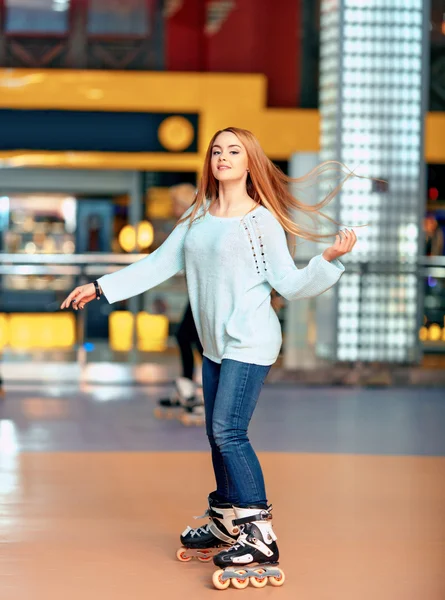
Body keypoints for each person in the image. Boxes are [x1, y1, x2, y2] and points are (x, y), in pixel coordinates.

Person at [61, 127, 357, 589]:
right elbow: (158, 264)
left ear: (249, 161)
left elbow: (291, 285)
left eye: (233, 151)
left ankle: (259, 532)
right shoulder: (198, 217)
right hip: (215, 344)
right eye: (217, 150)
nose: (223, 157)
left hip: (250, 341)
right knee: (215, 434)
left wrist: (329, 260)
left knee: (228, 431)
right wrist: (102, 287)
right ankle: (225, 518)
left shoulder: (261, 223)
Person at [155, 183, 205, 422]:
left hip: (205, 296)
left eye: (176, 203)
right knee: (187, 337)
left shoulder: (197, 227)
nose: (172, 209)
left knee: (193, 340)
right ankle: (188, 389)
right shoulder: (188, 227)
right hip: (198, 294)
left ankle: (199, 395)